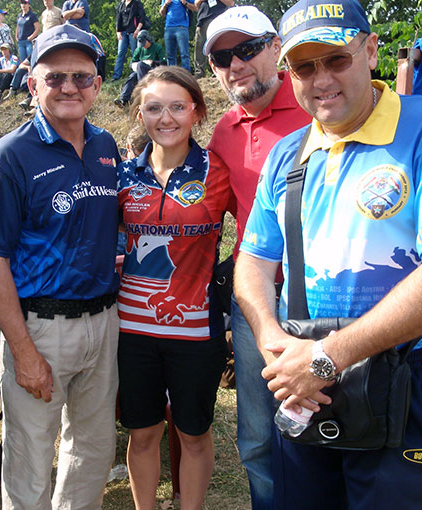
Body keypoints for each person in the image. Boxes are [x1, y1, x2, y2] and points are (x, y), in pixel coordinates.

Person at [234, 0, 422, 508]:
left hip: (405, 385)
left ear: (371, 49)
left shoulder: (418, 132)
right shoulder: (288, 153)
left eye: (336, 59)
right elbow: (253, 260)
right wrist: (275, 345)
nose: (321, 80)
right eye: (304, 66)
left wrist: (324, 359)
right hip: (308, 387)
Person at [0, 24, 120, 510]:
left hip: (104, 321)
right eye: (54, 76)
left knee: (93, 450)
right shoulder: (10, 156)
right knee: (30, 456)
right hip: (39, 326)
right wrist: (21, 350)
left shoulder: (106, 147)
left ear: (97, 86)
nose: (69, 87)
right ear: (33, 83)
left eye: (81, 77)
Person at [203, 6, 311, 509]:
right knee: (258, 437)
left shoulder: (321, 99)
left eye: (246, 49)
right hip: (259, 303)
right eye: (223, 56)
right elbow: (209, 211)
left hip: (336, 300)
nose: (235, 64)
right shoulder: (224, 129)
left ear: (275, 47)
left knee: (339, 429)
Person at [117, 65, 231, 510]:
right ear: (141, 115)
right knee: (143, 433)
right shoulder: (124, 175)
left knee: (194, 434)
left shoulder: (218, 172)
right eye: (154, 108)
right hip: (133, 333)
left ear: (197, 113)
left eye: (178, 107)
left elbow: (262, 234)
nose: (166, 118)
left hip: (195, 335)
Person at [114, 29, 166, 107]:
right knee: (132, 76)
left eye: (144, 43)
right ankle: (124, 100)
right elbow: (132, 63)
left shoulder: (157, 48)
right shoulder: (139, 50)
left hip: (153, 71)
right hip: (140, 72)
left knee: (141, 65)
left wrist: (153, 62)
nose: (143, 46)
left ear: (148, 40)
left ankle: (142, 91)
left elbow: (164, 64)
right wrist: (134, 65)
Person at [193, 0, 234, 78]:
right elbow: (196, 4)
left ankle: (219, 70)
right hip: (203, 20)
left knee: (219, 46)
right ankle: (199, 72)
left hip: (220, 19)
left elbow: (231, 3)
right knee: (200, 46)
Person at [111, 0, 147, 81]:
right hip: (123, 32)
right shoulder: (121, 4)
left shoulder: (137, 3)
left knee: (135, 53)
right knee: (120, 53)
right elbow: (118, 18)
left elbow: (142, 17)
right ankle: (116, 76)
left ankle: (135, 74)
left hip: (133, 31)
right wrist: (118, 32)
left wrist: (137, 30)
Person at [160, 0, 196, 71]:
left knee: (184, 54)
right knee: (170, 55)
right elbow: (162, 13)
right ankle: (172, 75)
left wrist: (185, 2)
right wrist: (165, 4)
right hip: (168, 27)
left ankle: (186, 74)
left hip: (182, 27)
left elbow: (195, 8)